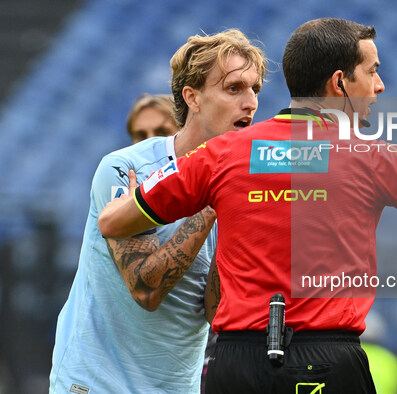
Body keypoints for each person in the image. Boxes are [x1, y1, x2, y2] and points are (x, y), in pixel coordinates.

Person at [98, 18, 397, 394]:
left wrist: (146, 193)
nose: (380, 86)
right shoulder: (377, 157)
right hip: (325, 363)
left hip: (232, 367)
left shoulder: (222, 155)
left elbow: (113, 221)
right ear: (339, 82)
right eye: (373, 71)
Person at [49, 29, 266, 393]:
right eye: (234, 89)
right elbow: (146, 288)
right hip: (96, 384)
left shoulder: (241, 186)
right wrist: (212, 201)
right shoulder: (126, 169)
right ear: (192, 97)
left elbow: (215, 314)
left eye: (255, 89)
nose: (250, 103)